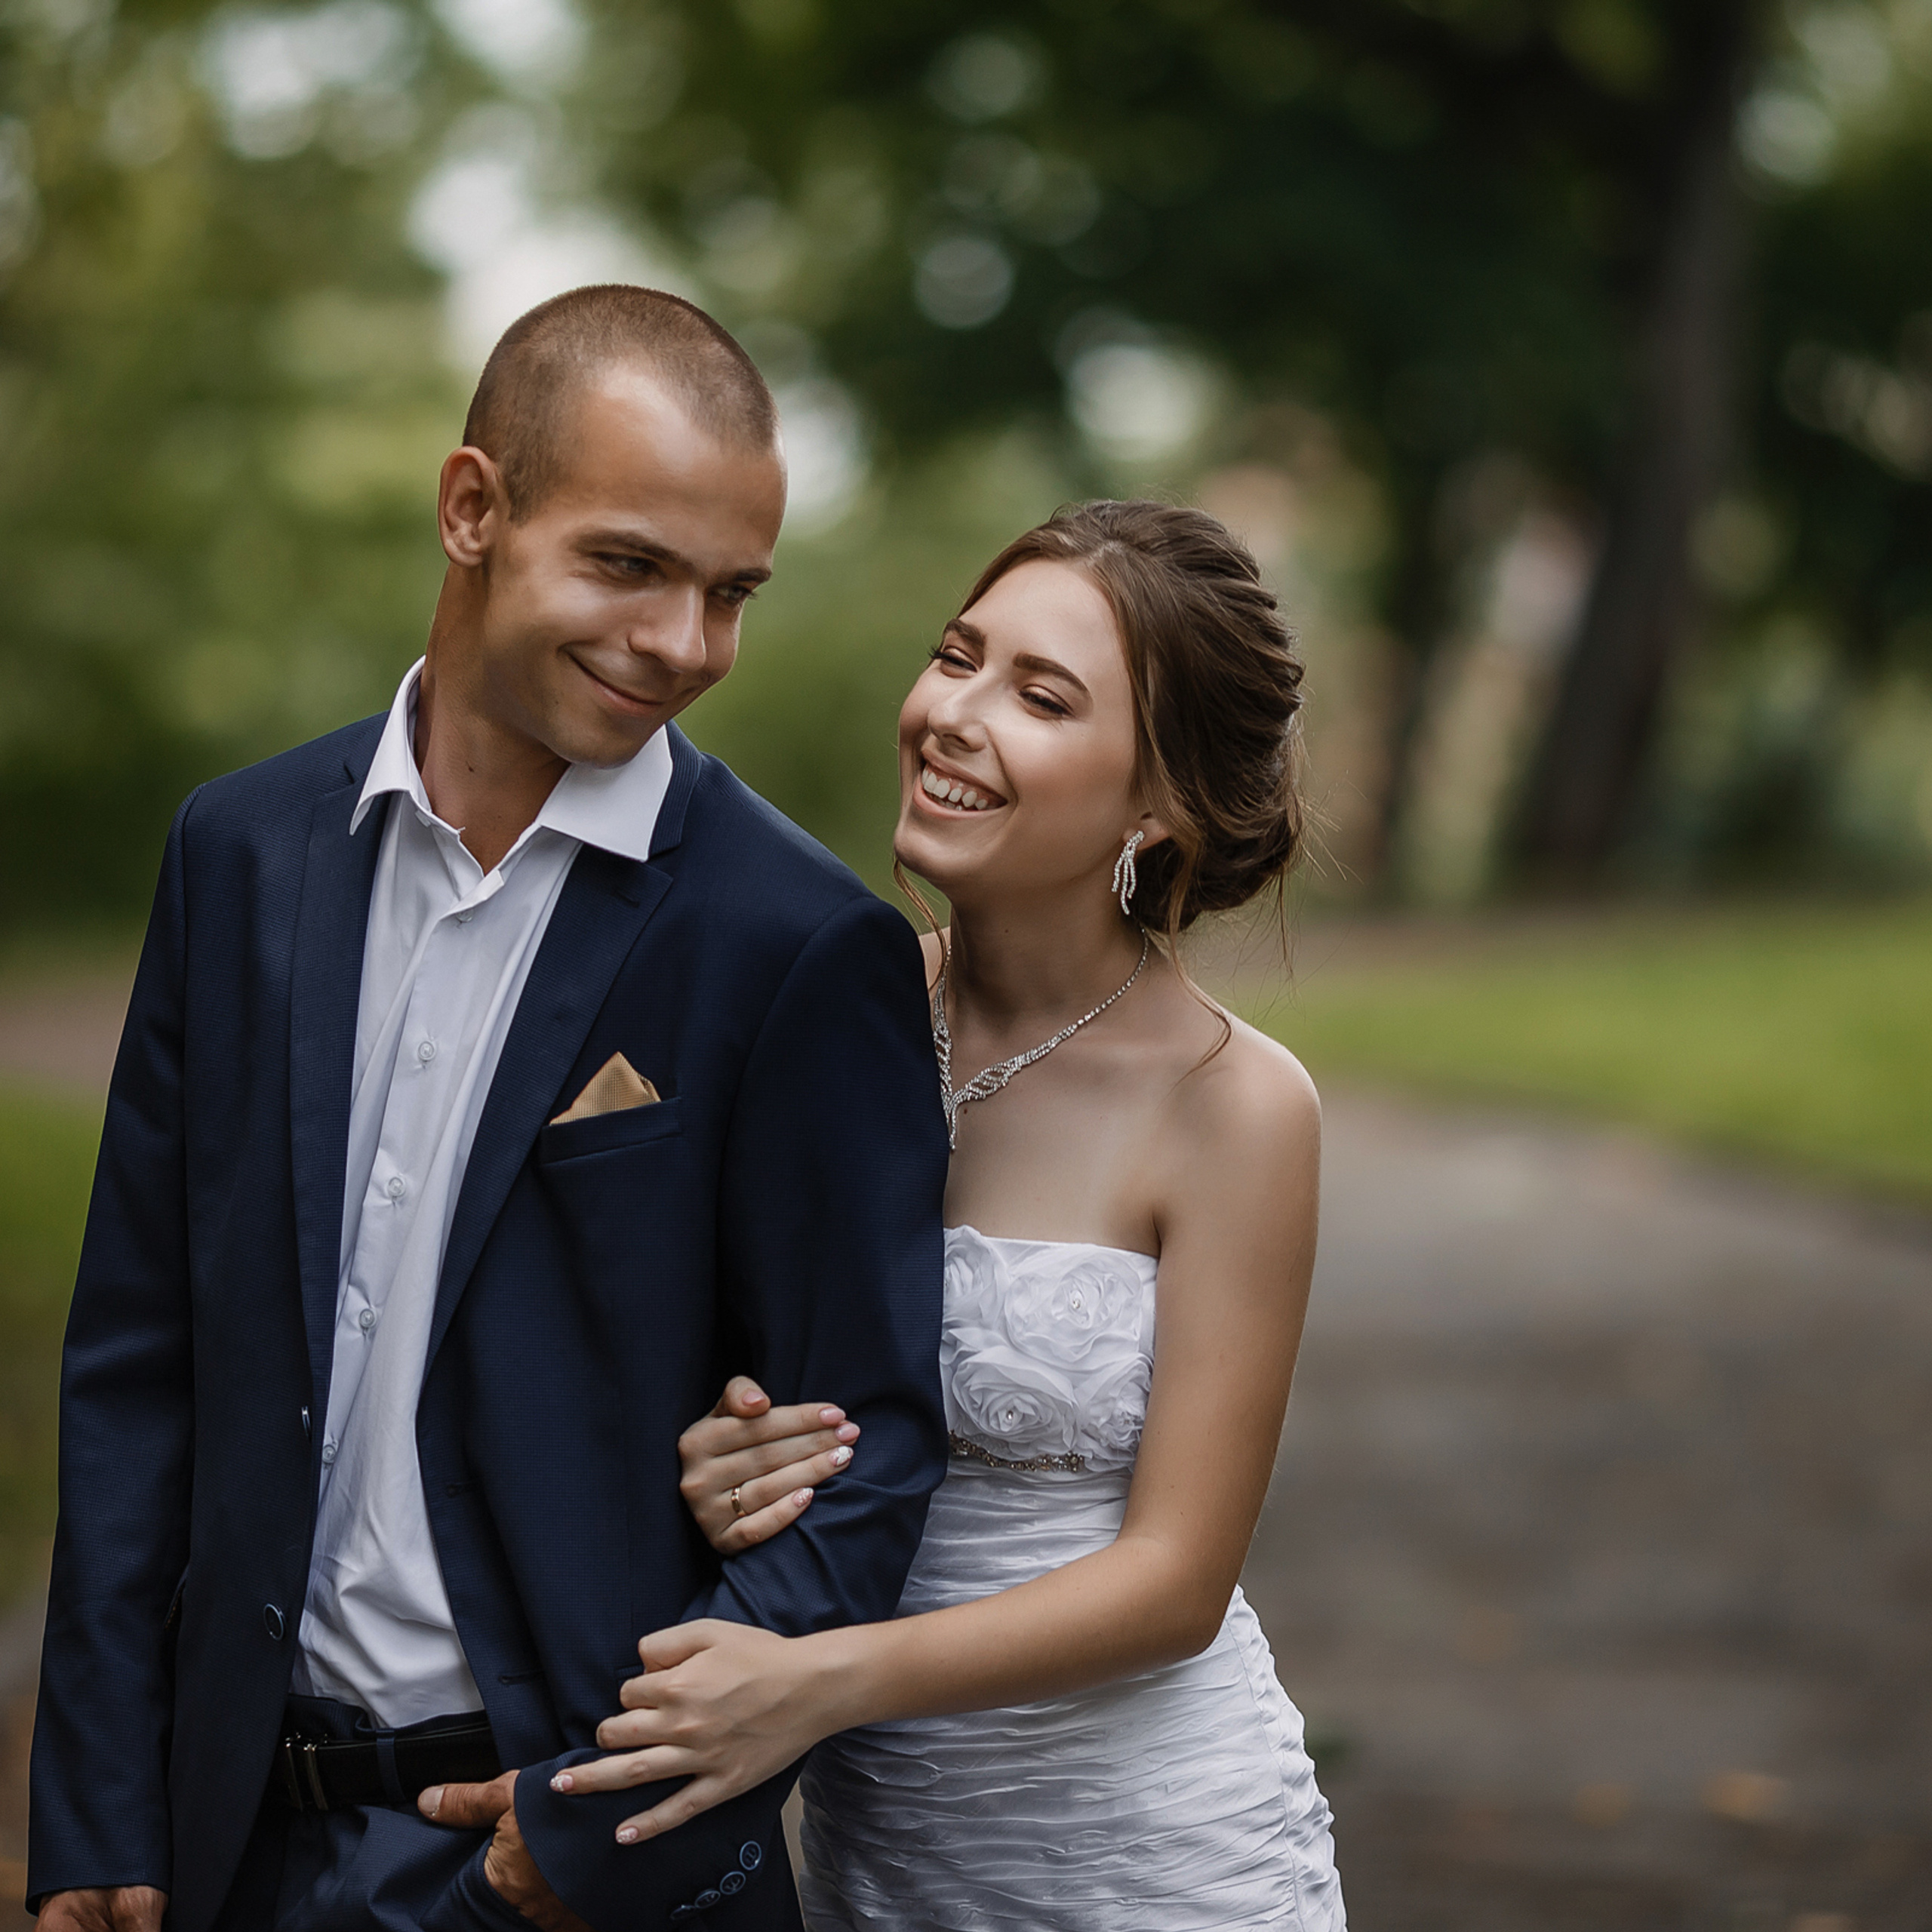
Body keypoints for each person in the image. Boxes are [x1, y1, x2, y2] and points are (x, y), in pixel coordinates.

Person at [26, 286, 950, 1932]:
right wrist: (103, 1799)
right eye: (628, 564)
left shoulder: (792, 943)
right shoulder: (237, 856)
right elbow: (138, 1360)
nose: (682, 643)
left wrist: (592, 1839)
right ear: (473, 508)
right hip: (225, 1844)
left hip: (559, 1864)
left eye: (727, 591)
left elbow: (857, 1462)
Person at [544, 500, 1346, 1927]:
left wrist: (812, 1686)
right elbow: (725, 1368)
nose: (955, 716)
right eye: (957, 657)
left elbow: (1176, 1581)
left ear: (1156, 805)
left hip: (1153, 1853)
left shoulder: (1236, 1104)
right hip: (883, 1853)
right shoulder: (820, 1016)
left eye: (1041, 698)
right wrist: (728, 1460)